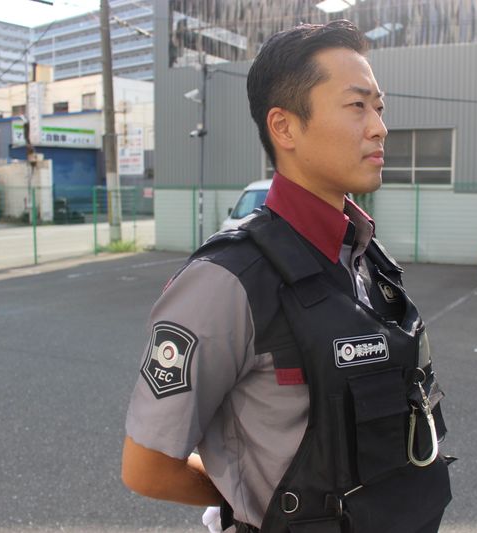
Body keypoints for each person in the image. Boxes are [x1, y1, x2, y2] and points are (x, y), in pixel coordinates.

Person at [121, 19, 453, 533]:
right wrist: (251, 500)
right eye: (357, 105)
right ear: (284, 127)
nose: (379, 128)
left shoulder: (367, 256)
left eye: (379, 108)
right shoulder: (226, 281)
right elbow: (147, 468)